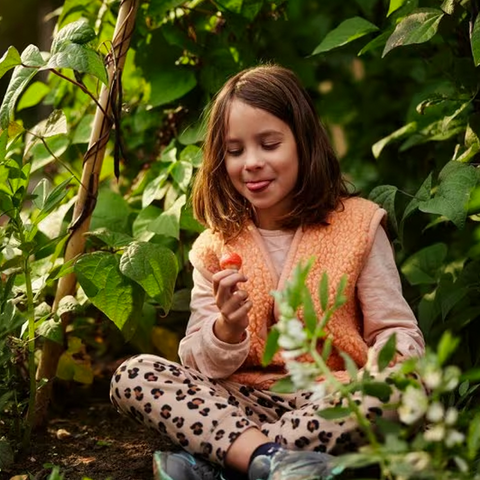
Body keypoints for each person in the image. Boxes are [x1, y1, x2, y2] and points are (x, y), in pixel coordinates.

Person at [110, 64, 425, 480]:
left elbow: (396, 330)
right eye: (235, 151)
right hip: (242, 401)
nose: (252, 163)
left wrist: (380, 372)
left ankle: (227, 463)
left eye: (269, 144)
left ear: (303, 143)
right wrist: (226, 329)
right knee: (134, 376)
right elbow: (198, 364)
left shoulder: (359, 227)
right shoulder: (216, 245)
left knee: (399, 391)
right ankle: (275, 464)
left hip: (332, 399)